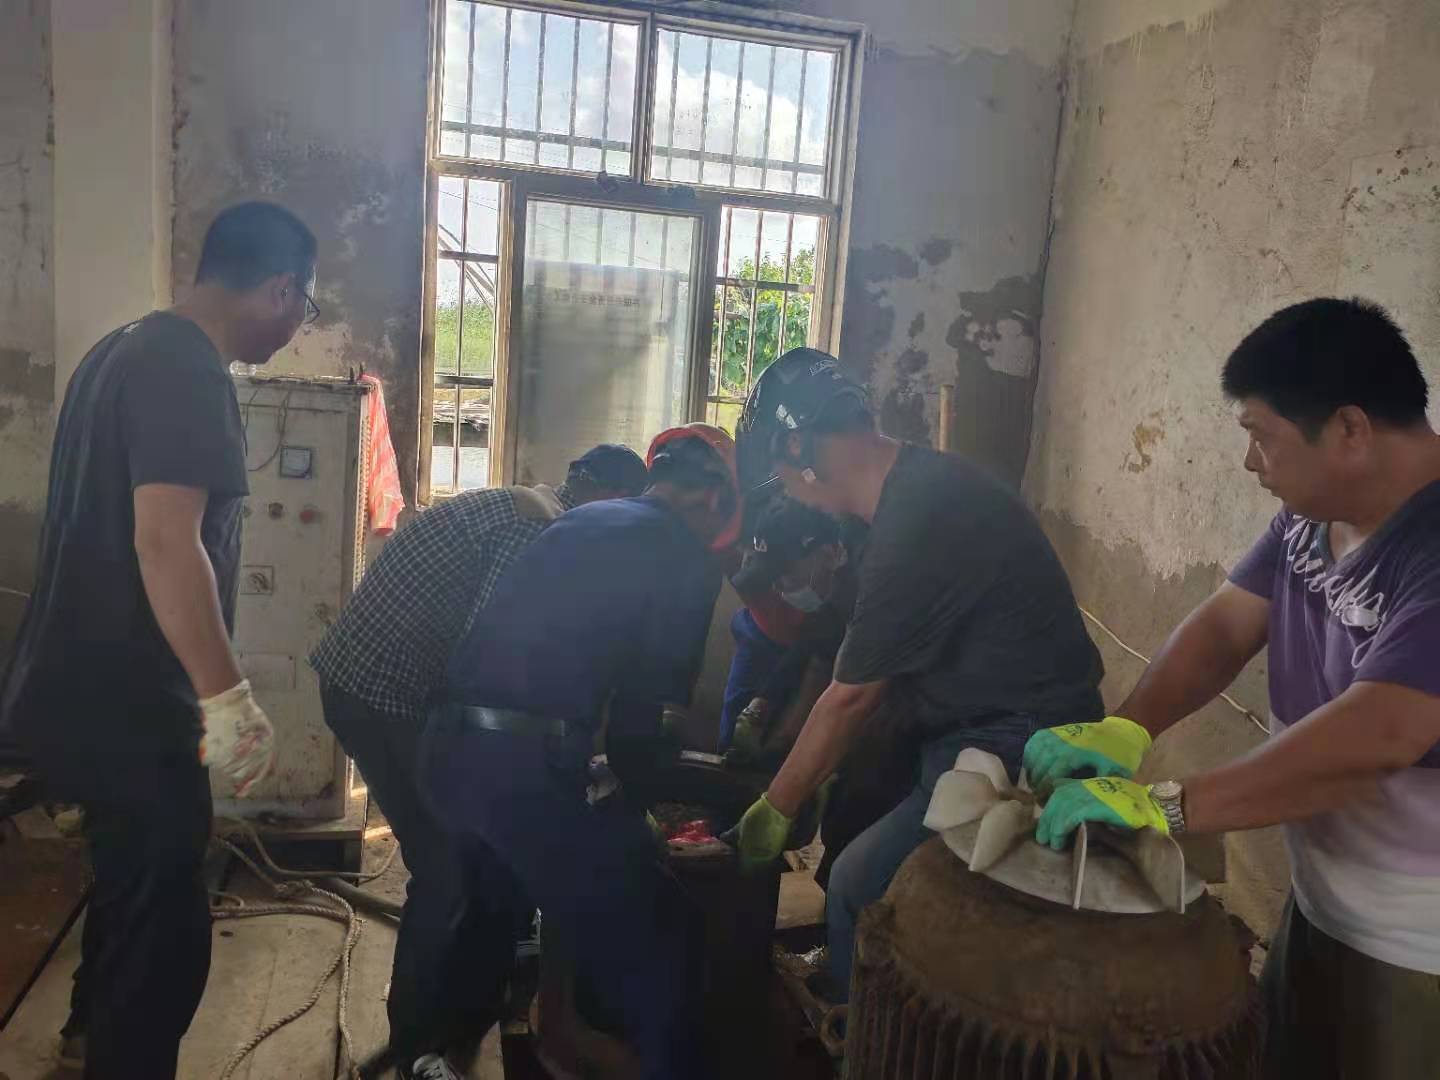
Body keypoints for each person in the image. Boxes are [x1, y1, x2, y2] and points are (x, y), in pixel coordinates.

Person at [1023, 298, 1440, 1079]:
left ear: (1350, 429)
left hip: (1419, 950)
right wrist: (1130, 727)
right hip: (1323, 905)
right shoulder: (1314, 517)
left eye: (1261, 436)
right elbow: (1225, 626)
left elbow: (1382, 734)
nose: (1252, 463)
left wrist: (1171, 807)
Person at [0, 202, 314, 1079]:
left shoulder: (120, 349)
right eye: (306, 305)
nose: (299, 324)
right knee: (166, 939)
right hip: (132, 704)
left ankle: (82, 1036)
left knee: (129, 887)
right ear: (280, 289)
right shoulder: (186, 367)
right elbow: (166, 541)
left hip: (77, 690)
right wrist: (228, 699)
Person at [728, 347, 1104, 998]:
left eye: (780, 474)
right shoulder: (916, 493)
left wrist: (773, 809)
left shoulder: (915, 516)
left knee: (859, 885)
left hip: (1021, 741)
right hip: (975, 727)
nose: (787, 490)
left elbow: (850, 699)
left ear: (798, 448)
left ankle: (863, 1032)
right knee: (859, 818)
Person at [308, 444, 648, 1080]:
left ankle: (468, 1012)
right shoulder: (535, 531)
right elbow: (485, 653)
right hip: (381, 696)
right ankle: (417, 1048)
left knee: (476, 848)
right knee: (446, 862)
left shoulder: (529, 511)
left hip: (384, 688)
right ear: (598, 493)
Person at [419, 423, 738, 1080]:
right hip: (519, 774)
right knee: (662, 928)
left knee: (492, 913)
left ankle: (446, 1057)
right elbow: (636, 734)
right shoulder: (683, 554)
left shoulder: (582, 520)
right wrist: (663, 808)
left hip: (450, 752)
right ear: (711, 501)